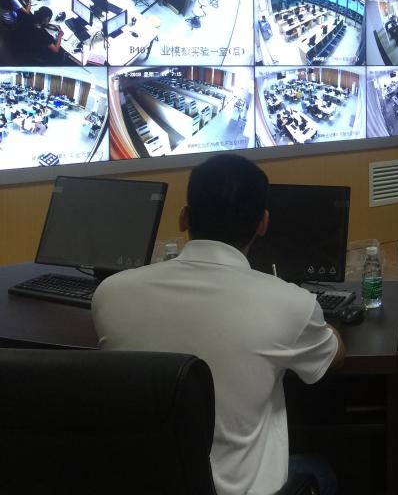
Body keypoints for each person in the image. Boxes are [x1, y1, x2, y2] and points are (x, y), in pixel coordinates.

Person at [92, 154, 343, 495]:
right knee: (321, 470)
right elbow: (332, 358)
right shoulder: (291, 305)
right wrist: (324, 326)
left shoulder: (110, 295)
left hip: (146, 482)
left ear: (184, 217)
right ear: (263, 223)